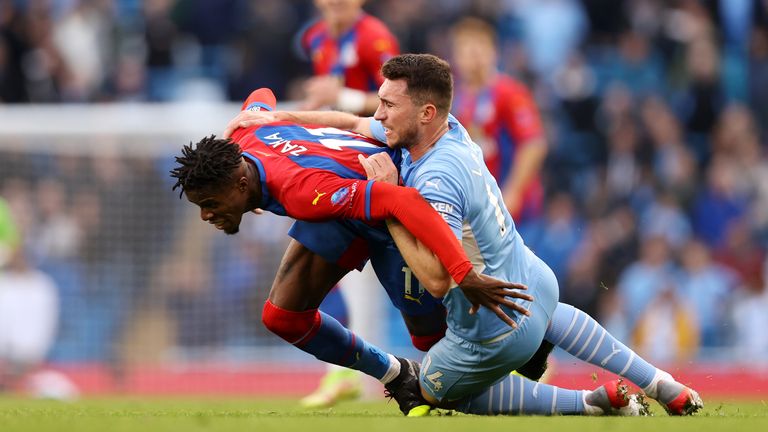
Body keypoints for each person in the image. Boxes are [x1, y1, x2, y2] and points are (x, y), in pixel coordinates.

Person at [225, 54, 704, 416]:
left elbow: (435, 279)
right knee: (552, 314)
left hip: (493, 326)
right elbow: (351, 122)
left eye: (390, 105)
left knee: (427, 390)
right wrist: (281, 120)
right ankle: (665, 385)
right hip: (536, 282)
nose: (381, 113)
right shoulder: (449, 131)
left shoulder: (435, 181)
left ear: (426, 111)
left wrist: (387, 199)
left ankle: (590, 404)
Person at [170, 88, 532, 414]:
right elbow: (260, 95)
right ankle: (396, 374)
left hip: (388, 199)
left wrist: (462, 271)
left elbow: (399, 200)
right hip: (343, 205)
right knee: (282, 317)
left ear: (242, 182)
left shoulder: (301, 189)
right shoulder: (243, 135)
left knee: (431, 340)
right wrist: (239, 126)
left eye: (210, 202)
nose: (206, 214)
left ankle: (530, 348)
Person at [296, 0, 400, 406]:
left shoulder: (376, 38)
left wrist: (341, 94)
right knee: (345, 268)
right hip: (343, 157)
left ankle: (354, 373)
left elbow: (397, 102)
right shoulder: (314, 37)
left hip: (381, 160)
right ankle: (346, 374)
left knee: (370, 270)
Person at [449, 17, 547, 224]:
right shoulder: (454, 97)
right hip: (475, 208)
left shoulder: (510, 93)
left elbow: (533, 144)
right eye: (467, 51)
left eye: (480, 49)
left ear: (494, 52)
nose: (474, 58)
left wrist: (513, 192)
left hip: (513, 210)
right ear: (456, 58)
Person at [297, 0, 398, 114]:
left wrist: (342, 98)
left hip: (369, 126)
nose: (336, 2)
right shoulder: (314, 36)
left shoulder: (375, 37)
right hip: (337, 124)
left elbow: (397, 97)